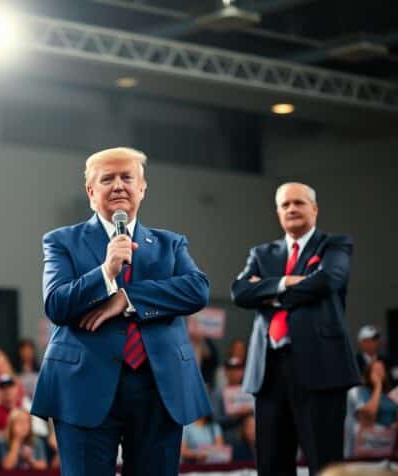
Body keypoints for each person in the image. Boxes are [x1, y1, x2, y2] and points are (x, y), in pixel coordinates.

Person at [31, 147, 211, 476]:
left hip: (160, 388)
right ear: (90, 192)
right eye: (107, 179)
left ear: (142, 188)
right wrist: (105, 272)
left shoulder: (170, 244)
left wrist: (127, 299)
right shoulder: (61, 241)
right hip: (83, 386)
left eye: (127, 177)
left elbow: (197, 290)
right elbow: (57, 304)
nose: (118, 186)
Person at [231, 182, 360, 476]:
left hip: (322, 369)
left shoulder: (335, 244)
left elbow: (328, 280)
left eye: (299, 203)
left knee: (324, 464)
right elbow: (239, 292)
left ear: (314, 209)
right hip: (268, 371)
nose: (292, 209)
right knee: (271, 464)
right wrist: (287, 281)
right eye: (285, 204)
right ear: (277, 212)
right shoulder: (261, 253)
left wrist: (267, 292)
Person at [345, 359, 397, 457]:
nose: (379, 373)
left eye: (382, 369)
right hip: (365, 446)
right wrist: (378, 386)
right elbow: (368, 416)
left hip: (388, 447)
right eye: (376, 370)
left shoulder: (390, 396)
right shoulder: (358, 391)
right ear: (368, 373)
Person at [210, 357, 253, 444]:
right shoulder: (218, 393)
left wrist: (250, 411)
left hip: (251, 438)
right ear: (225, 372)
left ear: (243, 371)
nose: (234, 373)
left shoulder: (251, 391)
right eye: (231, 370)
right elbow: (214, 419)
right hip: (228, 437)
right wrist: (234, 416)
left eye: (238, 369)